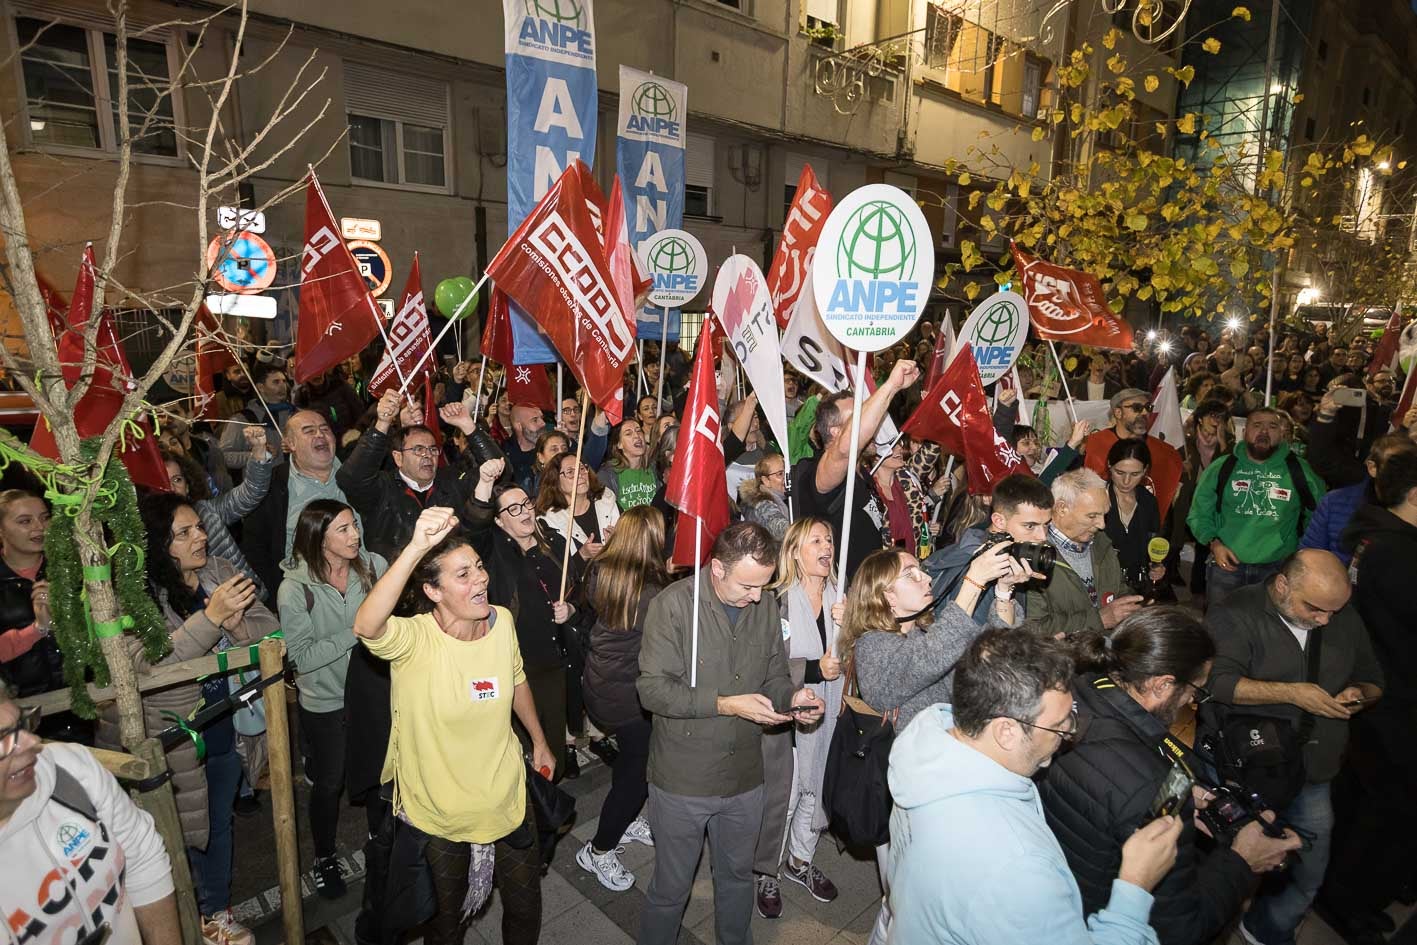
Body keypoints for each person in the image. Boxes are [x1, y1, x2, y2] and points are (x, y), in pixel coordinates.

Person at [886, 626, 1184, 945]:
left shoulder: (930, 745)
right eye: (1059, 725)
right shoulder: (1017, 869)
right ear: (1007, 732)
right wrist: (1134, 887)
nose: (1070, 732)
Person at [1040, 608, 1301, 945]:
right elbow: (1178, 929)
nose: (1194, 703)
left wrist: (1179, 789)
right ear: (1162, 685)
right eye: (1196, 690)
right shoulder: (1152, 788)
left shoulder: (1075, 689)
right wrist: (1242, 861)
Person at [352, 506, 550, 945]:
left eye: (478, 567)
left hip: (505, 795)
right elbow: (366, 626)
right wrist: (417, 546)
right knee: (445, 925)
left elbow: (516, 679)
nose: (480, 578)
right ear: (433, 591)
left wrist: (538, 740)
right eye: (463, 575)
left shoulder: (501, 623)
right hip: (439, 811)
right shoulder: (415, 639)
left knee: (525, 907)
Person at [635, 522, 825, 945]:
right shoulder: (673, 606)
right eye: (747, 586)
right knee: (671, 889)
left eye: (763, 586)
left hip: (744, 777)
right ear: (717, 569)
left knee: (738, 881)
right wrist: (725, 703)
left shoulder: (763, 604)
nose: (757, 597)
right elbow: (651, 690)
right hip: (683, 780)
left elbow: (774, 673)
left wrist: (793, 698)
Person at [843, 544, 1038, 945]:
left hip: (948, 782)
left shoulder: (926, 629)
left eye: (922, 571)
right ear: (884, 595)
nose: (927, 578)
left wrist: (1001, 594)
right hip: (908, 795)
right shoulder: (872, 645)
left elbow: (994, 660)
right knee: (904, 900)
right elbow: (922, 663)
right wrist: (971, 583)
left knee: (913, 899)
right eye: (911, 575)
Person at [115, 492, 279, 945]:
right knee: (176, 832)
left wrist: (233, 624)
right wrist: (210, 618)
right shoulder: (134, 595)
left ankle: (216, 913)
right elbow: (150, 666)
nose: (201, 537)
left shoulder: (220, 572)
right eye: (183, 533)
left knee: (219, 822)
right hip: (170, 733)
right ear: (156, 544)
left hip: (222, 720)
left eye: (199, 528)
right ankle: (183, 920)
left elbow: (268, 627)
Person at [1201, 550, 1383, 945]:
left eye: (1334, 611)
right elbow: (1215, 684)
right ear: (1282, 585)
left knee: (1310, 868)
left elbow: (1373, 678)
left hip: (1315, 770)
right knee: (1226, 862)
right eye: (1315, 609)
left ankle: (1268, 931)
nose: (1325, 620)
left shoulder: (1340, 614)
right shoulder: (1236, 612)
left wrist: (1360, 695)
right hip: (1247, 768)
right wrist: (1294, 694)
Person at [1321, 450, 1417, 942]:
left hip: (1374, 689)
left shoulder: (1372, 535)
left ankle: (1343, 889)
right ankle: (1350, 900)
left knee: (1360, 795)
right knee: (1387, 807)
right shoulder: (1399, 553)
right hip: (1395, 699)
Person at [0, 696, 181, 943]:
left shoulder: (68, 768)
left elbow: (143, 857)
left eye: (22, 723)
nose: (32, 741)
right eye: (3, 740)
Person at [278, 500, 387, 900]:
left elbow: (396, 612)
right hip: (325, 701)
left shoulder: (372, 564)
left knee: (379, 770)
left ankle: (382, 841)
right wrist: (358, 631)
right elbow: (301, 658)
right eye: (342, 529)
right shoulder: (294, 590)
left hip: (372, 692)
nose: (354, 534)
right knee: (330, 782)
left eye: (354, 525)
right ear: (319, 538)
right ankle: (324, 857)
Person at [752, 518, 844, 918]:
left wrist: (854, 624)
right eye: (816, 541)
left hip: (831, 715)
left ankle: (799, 862)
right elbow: (764, 664)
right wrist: (811, 671)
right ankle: (765, 870)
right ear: (794, 552)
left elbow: (855, 657)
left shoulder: (843, 597)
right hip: (789, 717)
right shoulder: (777, 602)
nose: (826, 547)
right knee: (785, 798)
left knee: (817, 790)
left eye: (829, 540)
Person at [575, 505, 667, 891]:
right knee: (637, 777)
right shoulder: (649, 592)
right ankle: (598, 850)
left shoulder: (601, 571)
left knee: (632, 761)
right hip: (628, 697)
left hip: (601, 684)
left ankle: (627, 821)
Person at [469, 464, 580, 779]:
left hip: (556, 662)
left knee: (552, 747)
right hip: (516, 666)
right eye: (513, 508)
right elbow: (474, 524)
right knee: (520, 750)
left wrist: (571, 609)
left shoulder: (555, 544)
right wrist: (485, 480)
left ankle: (549, 802)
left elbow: (582, 592)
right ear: (499, 520)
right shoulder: (492, 554)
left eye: (527, 504)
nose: (524, 512)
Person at [1186, 407, 1325, 607]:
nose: (1264, 432)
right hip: (1226, 566)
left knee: (1267, 632)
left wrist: (1302, 553)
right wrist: (1214, 543)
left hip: (1277, 569)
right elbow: (1199, 513)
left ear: (1282, 433)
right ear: (1244, 432)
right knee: (1222, 629)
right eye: (1257, 425)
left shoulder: (1300, 471)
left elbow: (1319, 516)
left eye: (1272, 426)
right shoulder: (1222, 467)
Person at [794, 360, 919, 581]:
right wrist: (891, 386)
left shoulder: (865, 475)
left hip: (866, 597)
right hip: (839, 599)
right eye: (857, 418)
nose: (870, 424)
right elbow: (844, 449)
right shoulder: (817, 473)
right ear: (835, 432)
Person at [337, 391, 482, 561]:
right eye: (418, 449)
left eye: (432, 449)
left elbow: (499, 471)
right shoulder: (382, 489)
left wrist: (468, 426)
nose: (428, 455)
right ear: (398, 457)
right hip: (398, 580)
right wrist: (382, 424)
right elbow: (350, 479)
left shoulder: (453, 480)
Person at [241, 409, 358, 601]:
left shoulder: (356, 474)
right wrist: (278, 596)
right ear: (290, 444)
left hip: (359, 588)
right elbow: (256, 548)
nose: (320, 435)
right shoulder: (273, 485)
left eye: (324, 429)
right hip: (305, 597)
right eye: (309, 430)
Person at [926, 472, 1054, 625]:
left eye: (1046, 525)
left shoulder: (1009, 555)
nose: (1042, 536)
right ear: (999, 521)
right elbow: (970, 643)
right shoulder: (978, 569)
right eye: (1030, 526)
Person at [163, 424, 273, 597]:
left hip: (247, 600)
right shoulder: (147, 535)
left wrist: (259, 451)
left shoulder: (207, 511)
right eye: (163, 480)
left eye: (177, 479)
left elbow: (251, 493)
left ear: (188, 485)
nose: (171, 487)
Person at [1028, 469, 1139, 638]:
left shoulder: (1102, 543)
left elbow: (1119, 588)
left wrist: (1132, 606)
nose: (1102, 525)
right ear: (1062, 508)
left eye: (1104, 515)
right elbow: (1033, 628)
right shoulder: (1035, 557)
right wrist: (1099, 619)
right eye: (1092, 516)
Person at [1300, 433, 1417, 563]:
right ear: (1372, 467)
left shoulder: (1412, 507)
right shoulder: (1335, 502)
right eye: (1393, 465)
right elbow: (1308, 557)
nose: (1400, 472)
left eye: (1408, 465)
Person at [1083, 389, 1184, 519]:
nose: (1145, 412)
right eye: (1137, 408)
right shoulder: (1094, 444)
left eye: (1148, 407)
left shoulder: (1166, 453)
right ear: (1118, 413)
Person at [0, 491, 59, 700]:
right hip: (21, 711)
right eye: (25, 521)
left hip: (90, 704)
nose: (40, 527)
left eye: (45, 517)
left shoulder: (68, 568)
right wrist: (38, 628)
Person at [1103, 439, 1164, 595]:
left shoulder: (1148, 502)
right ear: (1109, 465)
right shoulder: (1097, 499)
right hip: (1102, 586)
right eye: (1120, 472)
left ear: (1145, 470)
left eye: (1135, 474)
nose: (1126, 481)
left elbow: (1154, 543)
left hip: (1138, 588)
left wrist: (1157, 567)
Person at [537, 450, 620, 563]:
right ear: (555, 480)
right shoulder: (548, 521)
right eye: (570, 472)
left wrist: (619, 543)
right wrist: (582, 555)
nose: (580, 475)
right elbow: (556, 572)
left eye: (582, 468)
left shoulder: (607, 500)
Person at [218, 362, 294, 474]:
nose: (283, 386)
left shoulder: (295, 414)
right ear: (261, 387)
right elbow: (223, 457)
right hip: (261, 486)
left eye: (284, 381)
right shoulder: (241, 419)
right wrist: (255, 454)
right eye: (276, 382)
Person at [871, 433, 935, 558]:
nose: (900, 448)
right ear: (875, 455)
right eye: (892, 445)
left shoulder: (907, 476)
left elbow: (932, 450)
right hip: (884, 569)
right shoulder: (865, 486)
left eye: (899, 443)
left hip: (914, 562)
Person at [598, 419, 657, 510]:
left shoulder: (655, 469)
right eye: (628, 433)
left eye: (638, 431)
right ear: (619, 444)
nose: (637, 436)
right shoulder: (607, 474)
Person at [739, 453, 790, 541]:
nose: (786, 477)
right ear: (766, 480)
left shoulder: (783, 499)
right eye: (780, 474)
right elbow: (783, 531)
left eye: (787, 472)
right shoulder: (761, 505)